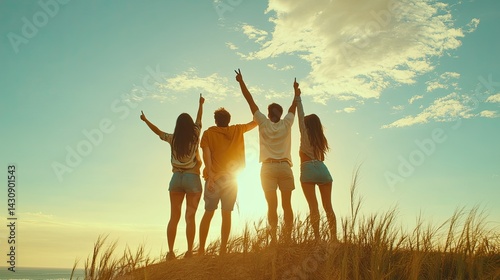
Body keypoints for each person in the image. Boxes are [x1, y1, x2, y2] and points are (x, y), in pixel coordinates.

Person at [235, 68, 299, 243]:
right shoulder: (287, 123)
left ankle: (274, 239)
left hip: (268, 168)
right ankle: (287, 238)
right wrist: (295, 92)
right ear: (280, 113)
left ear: (269, 114)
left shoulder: (262, 122)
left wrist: (241, 81)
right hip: (285, 167)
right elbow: (293, 106)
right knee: (287, 205)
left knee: (272, 205)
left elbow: (250, 101)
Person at [140, 94, 205, 259]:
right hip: (192, 178)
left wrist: (146, 120)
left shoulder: (173, 138)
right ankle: (190, 252)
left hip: (176, 179)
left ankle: (170, 252)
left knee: (173, 217)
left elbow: (158, 132)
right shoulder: (195, 135)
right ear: (190, 126)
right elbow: (199, 119)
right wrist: (200, 104)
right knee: (190, 217)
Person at [198, 108, 257, 255]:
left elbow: (207, 155)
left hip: (215, 179)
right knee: (227, 214)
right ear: (228, 120)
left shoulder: (208, 134)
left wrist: (211, 176)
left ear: (216, 120)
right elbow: (256, 122)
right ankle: (223, 249)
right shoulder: (237, 130)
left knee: (208, 213)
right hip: (231, 180)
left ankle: (200, 250)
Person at [295, 82, 337, 242]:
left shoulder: (304, 134)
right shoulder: (320, 139)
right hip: (322, 169)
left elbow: (300, 114)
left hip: (307, 169)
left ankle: (318, 238)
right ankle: (334, 238)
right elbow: (322, 158)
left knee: (314, 207)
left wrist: (297, 96)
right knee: (329, 207)